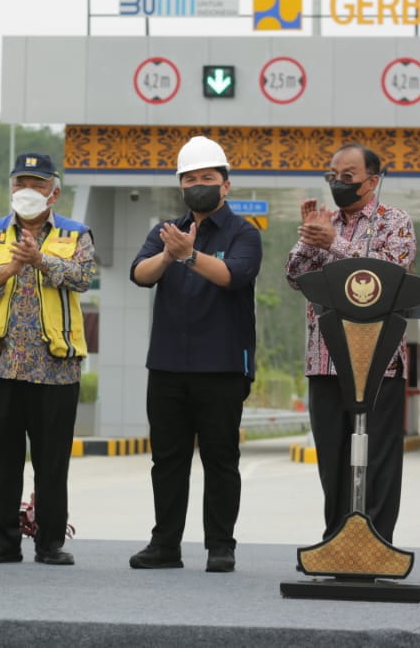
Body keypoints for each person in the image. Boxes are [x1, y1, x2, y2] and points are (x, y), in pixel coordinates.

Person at [128, 136, 262, 573]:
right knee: (167, 460)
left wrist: (189, 256)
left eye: (207, 177)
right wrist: (169, 255)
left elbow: (233, 275)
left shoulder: (244, 232)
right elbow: (139, 274)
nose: (198, 184)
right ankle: (165, 544)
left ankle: (220, 545)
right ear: (180, 186)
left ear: (225, 185)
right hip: (167, 364)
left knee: (221, 459)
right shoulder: (165, 230)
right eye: (190, 179)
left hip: (222, 365)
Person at [0, 153, 97, 567]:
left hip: (55, 367)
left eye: (36, 184)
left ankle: (50, 543)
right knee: (1, 460)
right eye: (20, 183)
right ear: (10, 188)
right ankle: (0, 543)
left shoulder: (76, 233)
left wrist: (40, 260)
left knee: (51, 461)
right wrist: (9, 268)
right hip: (2, 362)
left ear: (53, 192)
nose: (27, 191)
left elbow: (82, 277)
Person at [284, 142, 417, 542]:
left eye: (348, 177)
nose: (338, 184)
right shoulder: (326, 221)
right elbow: (294, 277)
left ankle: (376, 544)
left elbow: (387, 276)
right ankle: (335, 540)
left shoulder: (395, 221)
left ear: (372, 180)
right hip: (324, 361)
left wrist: (332, 245)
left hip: (378, 363)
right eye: (332, 177)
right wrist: (311, 240)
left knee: (378, 460)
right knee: (333, 459)